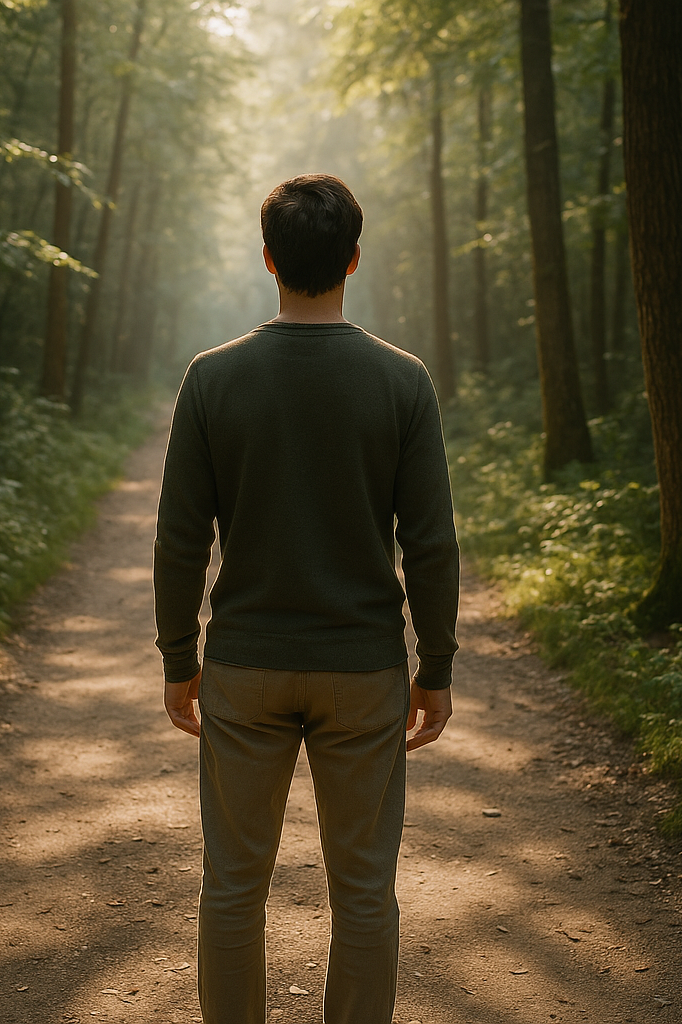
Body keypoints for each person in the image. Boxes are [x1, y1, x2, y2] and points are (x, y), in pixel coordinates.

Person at [153, 173, 459, 1024]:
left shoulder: (213, 379)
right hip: (363, 673)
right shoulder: (403, 383)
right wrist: (435, 667)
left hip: (244, 668)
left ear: (267, 260)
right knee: (365, 892)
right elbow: (430, 542)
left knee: (232, 889)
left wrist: (180, 657)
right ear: (354, 259)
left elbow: (180, 538)